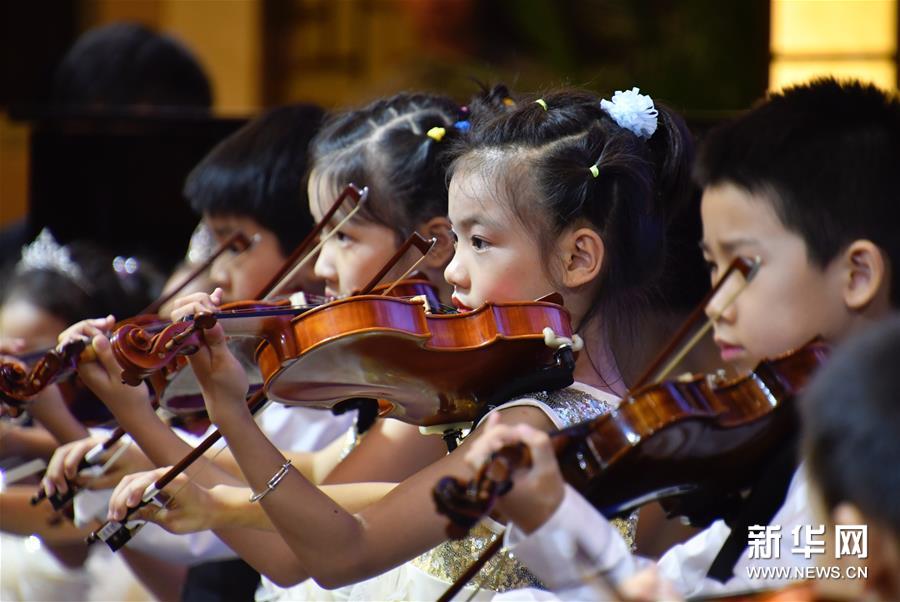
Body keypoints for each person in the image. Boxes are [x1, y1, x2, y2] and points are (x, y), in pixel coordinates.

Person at [108, 86, 694, 599]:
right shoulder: (547, 403)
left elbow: (343, 554)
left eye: (480, 242)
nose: (454, 271)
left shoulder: (528, 426)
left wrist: (230, 412)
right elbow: (386, 495)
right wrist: (216, 501)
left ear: (577, 257)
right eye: (456, 241)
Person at [469, 78, 900, 599]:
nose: (716, 304)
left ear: (856, 275)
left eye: (745, 267)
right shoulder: (799, 436)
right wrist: (552, 517)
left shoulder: (869, 463)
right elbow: (678, 581)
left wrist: (558, 518)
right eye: (712, 267)